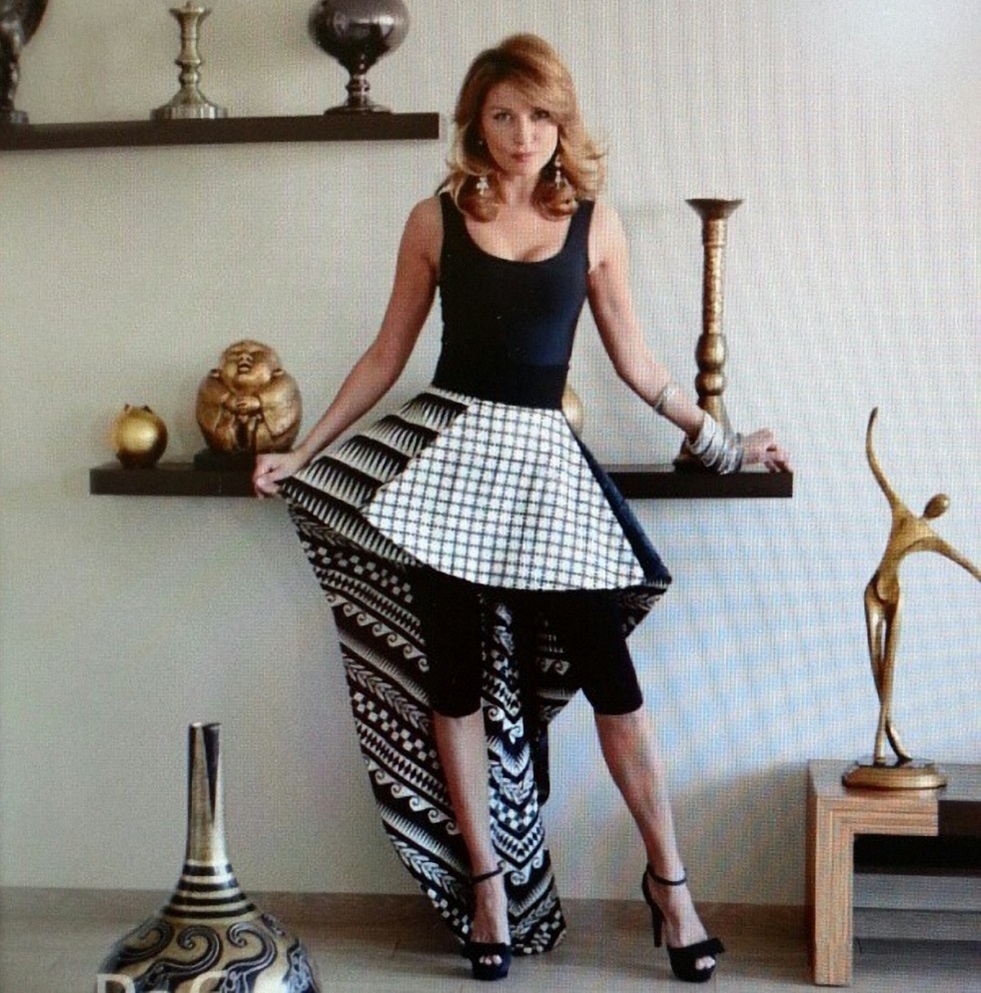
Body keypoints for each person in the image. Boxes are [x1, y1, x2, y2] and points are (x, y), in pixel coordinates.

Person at [254, 33, 790, 984]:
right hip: (449, 475)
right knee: (454, 686)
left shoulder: (595, 223)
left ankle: (671, 886)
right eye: (502, 115)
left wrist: (724, 442)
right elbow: (386, 355)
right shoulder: (432, 219)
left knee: (617, 689)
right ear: (476, 121)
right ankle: (487, 887)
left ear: (561, 122)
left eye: (539, 115)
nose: (521, 133)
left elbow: (639, 366)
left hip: (545, 476)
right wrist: (307, 449)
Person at [863, 407, 979, 766]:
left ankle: (883, 742)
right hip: (874, 591)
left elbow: (963, 561)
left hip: (895, 598)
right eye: (937, 501)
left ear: (940, 512)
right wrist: (870, 432)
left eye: (941, 506)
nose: (936, 506)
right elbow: (876, 468)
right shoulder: (901, 512)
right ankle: (889, 733)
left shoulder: (930, 537)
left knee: (889, 671)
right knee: (876, 666)